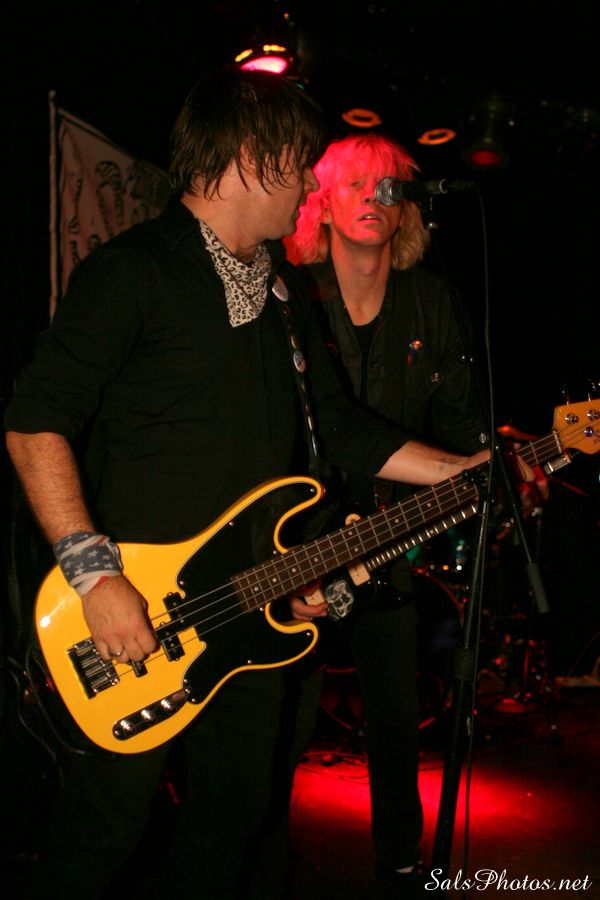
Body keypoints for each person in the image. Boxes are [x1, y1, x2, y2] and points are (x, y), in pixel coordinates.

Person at [4, 71, 490, 900]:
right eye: (298, 164)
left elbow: (340, 428)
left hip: (249, 611)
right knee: (103, 833)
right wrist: (95, 577)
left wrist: (469, 473)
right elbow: (33, 421)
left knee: (234, 819)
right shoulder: (135, 272)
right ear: (248, 157)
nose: (307, 185)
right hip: (138, 615)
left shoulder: (283, 292)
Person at [284, 132, 491, 896]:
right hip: (295, 543)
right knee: (282, 716)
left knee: (398, 721)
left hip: (389, 541)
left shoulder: (432, 301)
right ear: (321, 203)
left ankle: (401, 870)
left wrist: (504, 469)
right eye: (356, 185)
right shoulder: (292, 295)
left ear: (406, 209)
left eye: (389, 188)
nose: (375, 199)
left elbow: (465, 427)